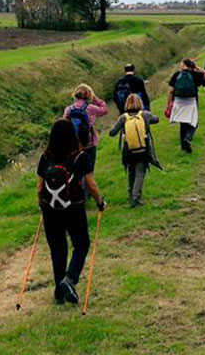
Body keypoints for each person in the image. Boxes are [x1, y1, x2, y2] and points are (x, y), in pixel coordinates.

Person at [37, 119, 106, 305]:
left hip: (50, 210)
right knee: (81, 244)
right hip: (73, 207)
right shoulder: (79, 157)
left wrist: (42, 206)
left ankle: (59, 293)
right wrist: (100, 202)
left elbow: (39, 187)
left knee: (57, 250)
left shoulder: (45, 157)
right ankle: (70, 278)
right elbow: (90, 184)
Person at [108, 94, 160, 207]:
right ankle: (136, 198)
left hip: (129, 150)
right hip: (143, 149)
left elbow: (112, 133)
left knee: (131, 172)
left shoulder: (123, 117)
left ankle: (131, 195)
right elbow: (156, 120)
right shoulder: (145, 115)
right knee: (140, 173)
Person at [64, 84, 108, 197]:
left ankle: (74, 192)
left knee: (75, 170)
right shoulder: (91, 108)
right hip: (89, 144)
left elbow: (64, 125)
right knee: (88, 170)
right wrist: (96, 99)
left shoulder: (68, 109)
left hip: (73, 145)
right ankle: (85, 194)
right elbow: (105, 110)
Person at [167, 58, 205, 153]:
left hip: (178, 101)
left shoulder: (176, 75)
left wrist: (169, 104)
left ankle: (183, 147)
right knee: (194, 121)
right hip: (191, 101)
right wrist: (196, 67)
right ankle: (188, 138)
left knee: (183, 124)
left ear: (183, 65)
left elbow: (171, 91)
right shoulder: (195, 74)